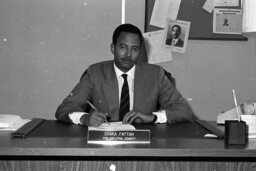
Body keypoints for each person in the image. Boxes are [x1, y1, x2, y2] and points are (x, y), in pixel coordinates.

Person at [55, 23, 192, 127]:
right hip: (104, 144)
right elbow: (64, 109)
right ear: (113, 48)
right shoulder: (95, 73)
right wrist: (84, 118)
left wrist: (153, 117)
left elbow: (183, 110)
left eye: (134, 49)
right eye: (122, 47)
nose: (128, 54)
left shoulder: (156, 75)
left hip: (143, 145)